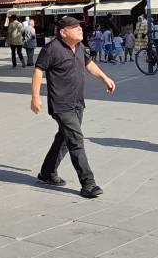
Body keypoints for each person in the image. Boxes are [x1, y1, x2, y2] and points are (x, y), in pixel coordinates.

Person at [30, 15, 116, 198]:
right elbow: (38, 71)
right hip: (61, 104)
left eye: (80, 26)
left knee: (64, 139)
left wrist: (105, 78)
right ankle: (88, 184)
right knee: (76, 140)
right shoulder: (52, 49)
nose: (80, 29)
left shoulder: (80, 47)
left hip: (78, 102)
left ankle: (47, 173)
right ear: (63, 32)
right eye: (74, 27)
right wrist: (35, 98)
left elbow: (89, 64)